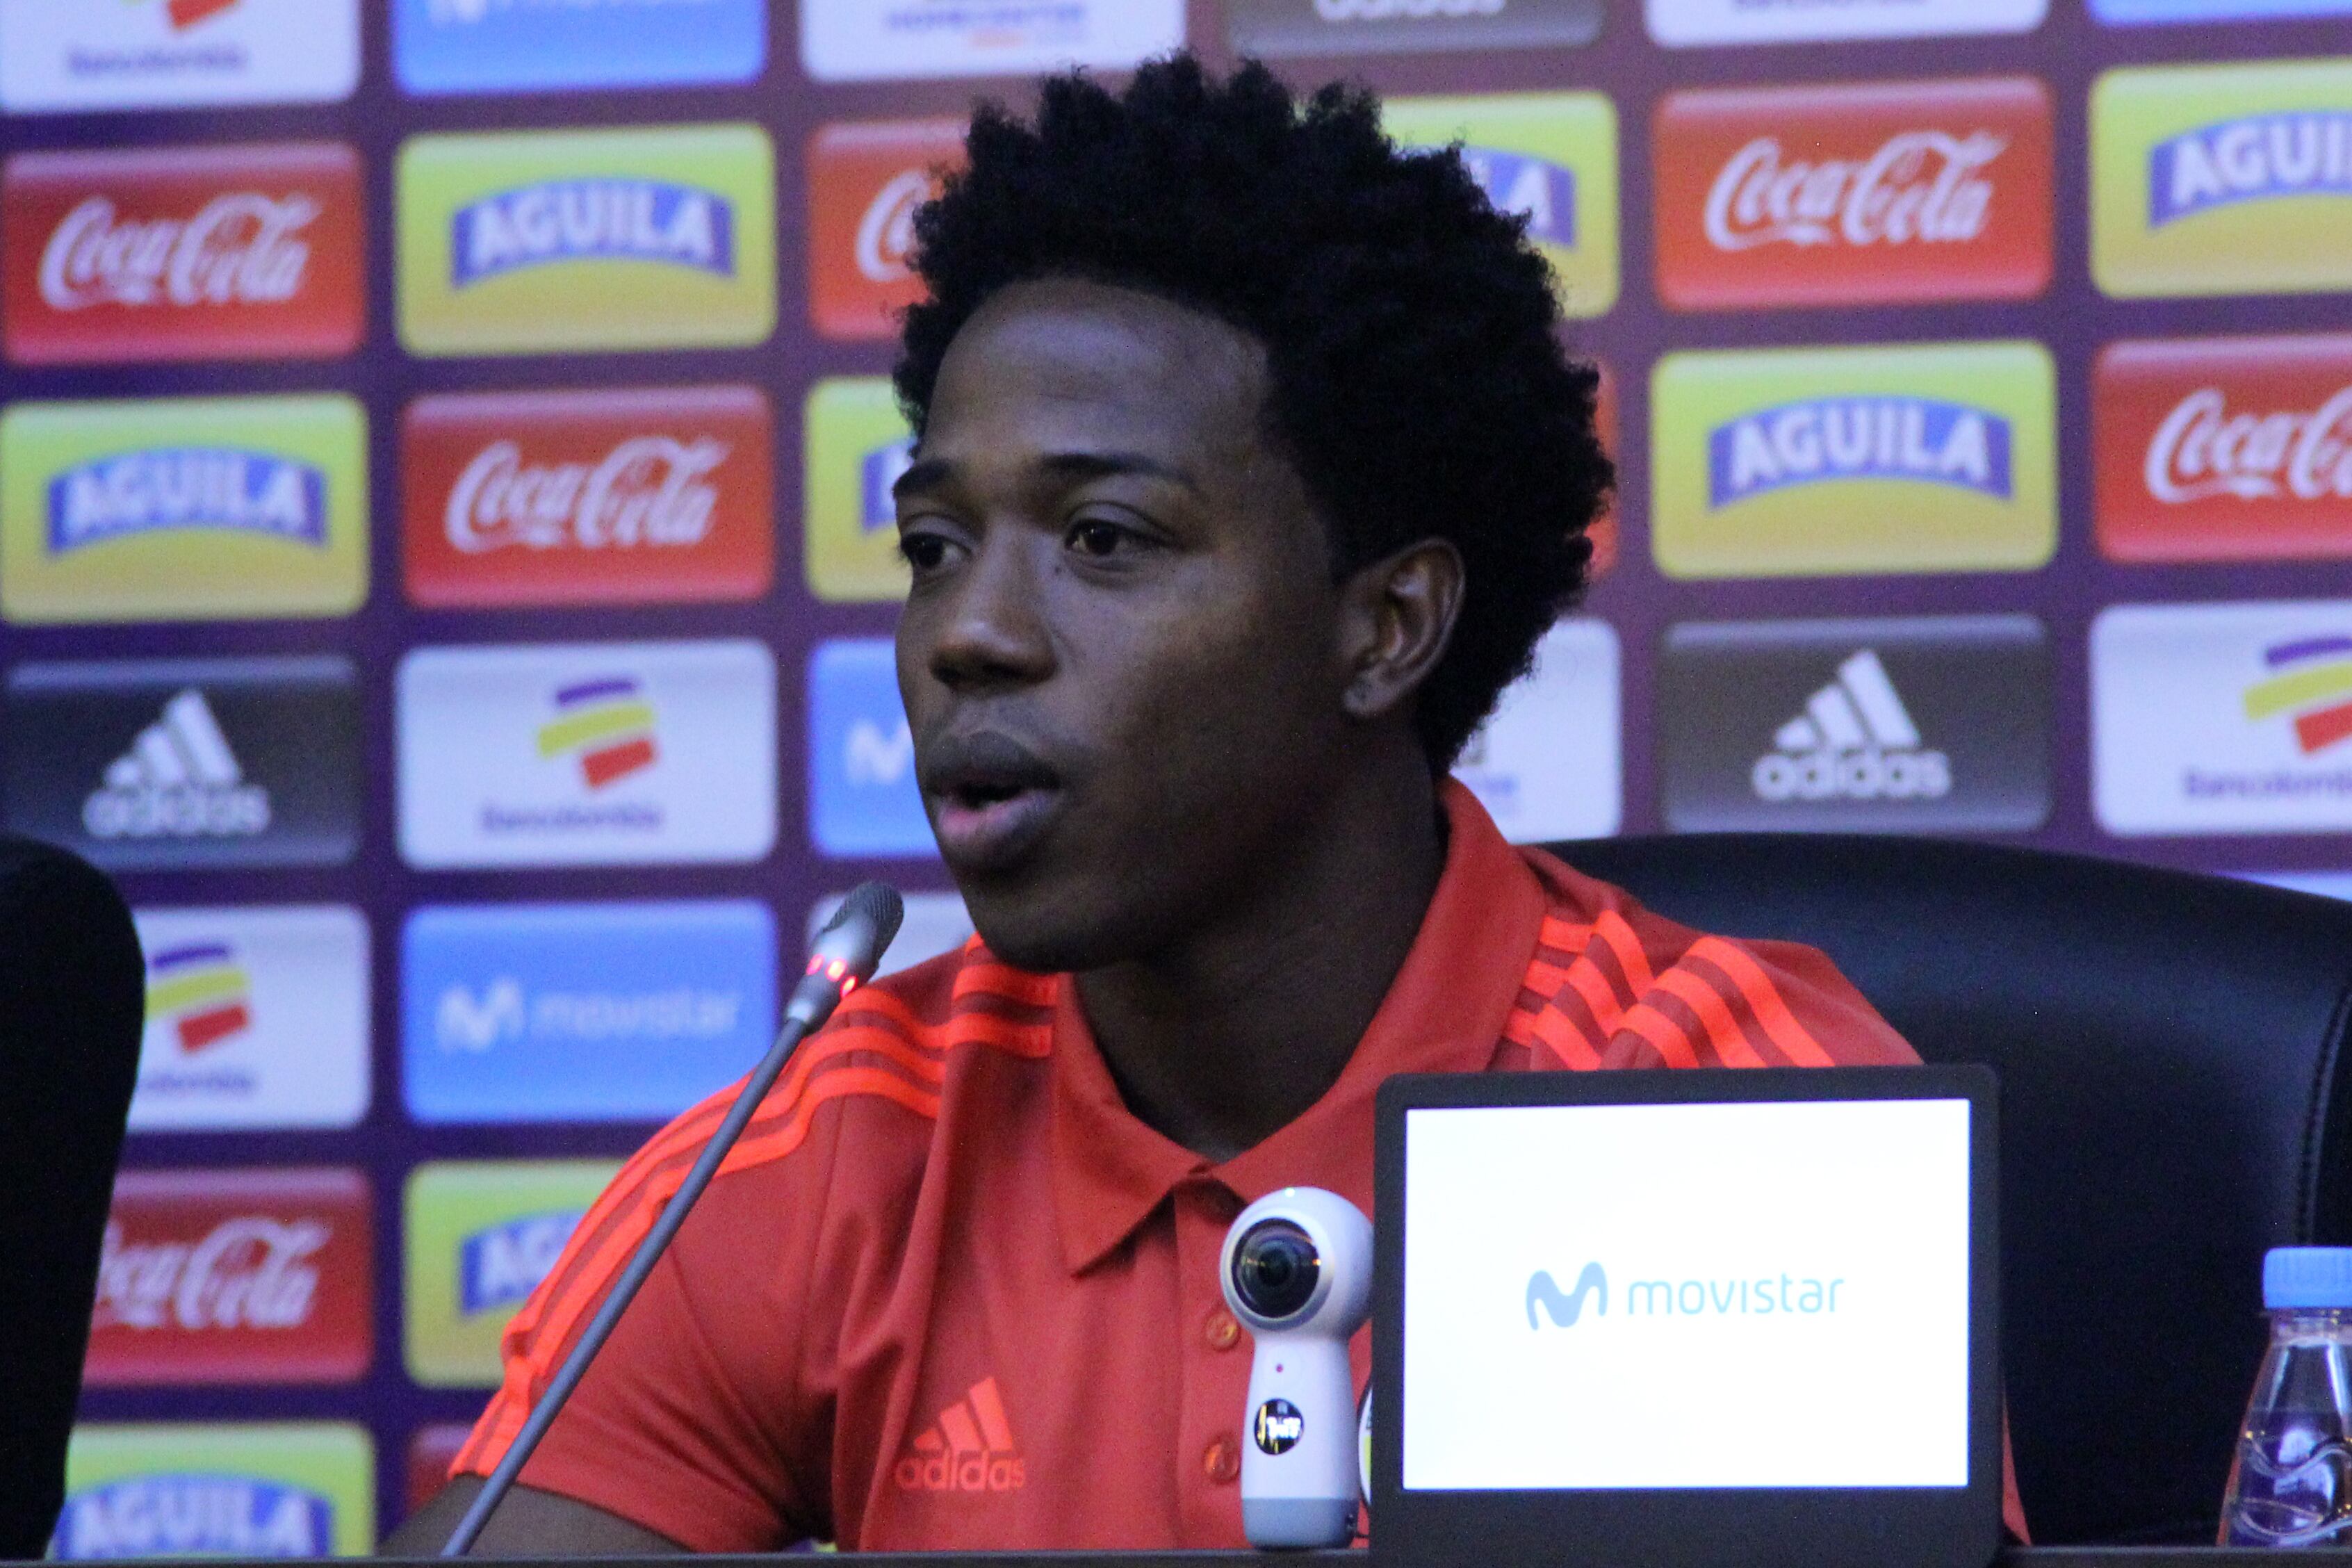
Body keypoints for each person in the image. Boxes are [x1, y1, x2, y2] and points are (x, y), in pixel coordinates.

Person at [390, 54, 2023, 1555]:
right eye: (934, 547)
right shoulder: (841, 1143)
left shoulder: (1717, 1114)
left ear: (1383, 628)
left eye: (1103, 540)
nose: (969, 632)